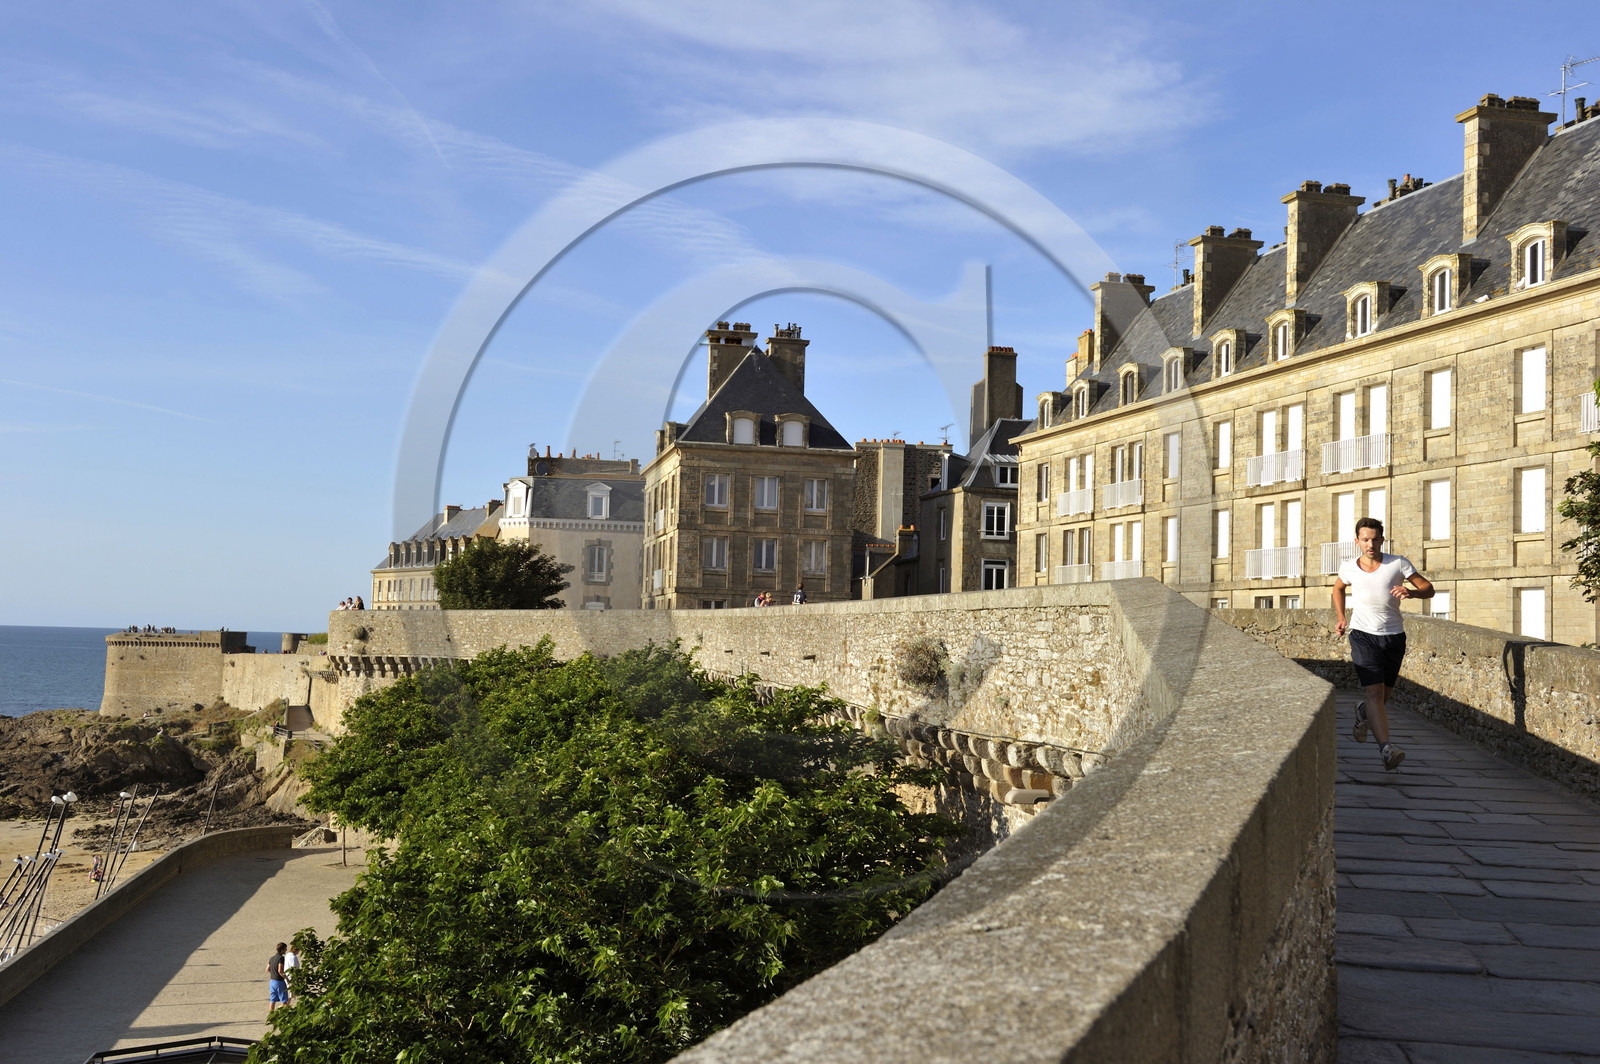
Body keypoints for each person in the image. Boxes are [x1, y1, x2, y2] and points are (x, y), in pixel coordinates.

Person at [1332, 517, 1434, 772]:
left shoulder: (1397, 563)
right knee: (1376, 693)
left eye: (1375, 539)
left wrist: (1412, 592)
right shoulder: (1348, 567)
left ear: (1382, 539)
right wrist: (1342, 617)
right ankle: (1386, 749)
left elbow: (1428, 588)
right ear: (1357, 541)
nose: (1371, 544)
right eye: (1365, 539)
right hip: (1363, 635)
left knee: (1383, 697)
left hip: (1393, 637)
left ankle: (1363, 711)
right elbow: (1338, 589)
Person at [267, 941, 289, 1016]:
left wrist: (273, 973)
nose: (286, 950)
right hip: (279, 982)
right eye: (285, 949)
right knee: (284, 1001)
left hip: (272, 981)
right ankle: (282, 1015)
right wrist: (286, 978)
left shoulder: (272, 958)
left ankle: (271, 1015)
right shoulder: (281, 958)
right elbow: (280, 970)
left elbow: (267, 969)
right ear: (282, 950)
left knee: (272, 1000)